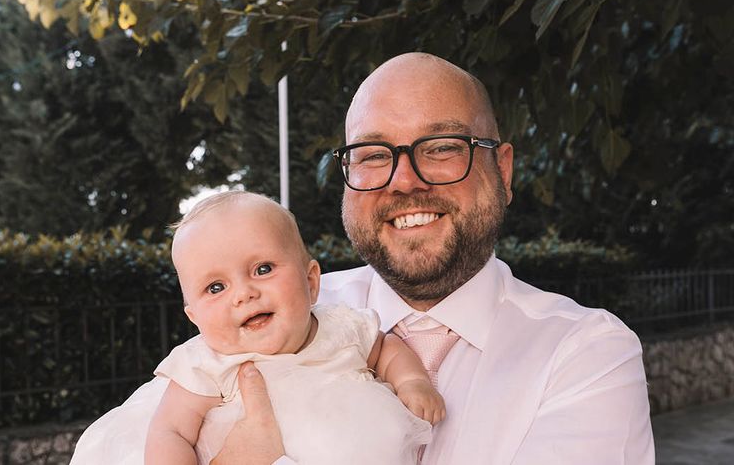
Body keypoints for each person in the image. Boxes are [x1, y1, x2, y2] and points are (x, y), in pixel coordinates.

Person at [212, 52, 655, 465]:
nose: (403, 181)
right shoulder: (269, 317)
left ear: (502, 170)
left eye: (441, 147)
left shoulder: (586, 353)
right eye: (373, 155)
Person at [70, 190, 439, 465]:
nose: (244, 294)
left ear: (311, 282)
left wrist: (412, 382)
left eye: (263, 269)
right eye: (216, 288)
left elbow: (387, 349)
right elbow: (171, 430)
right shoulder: (206, 363)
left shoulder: (341, 327)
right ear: (194, 318)